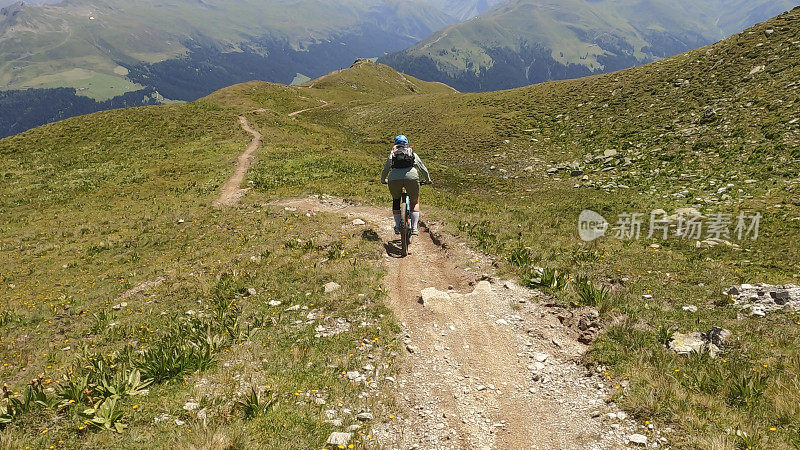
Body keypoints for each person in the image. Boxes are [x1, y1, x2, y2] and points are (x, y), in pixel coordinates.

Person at [380, 135, 432, 235]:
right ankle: (414, 228)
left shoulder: (392, 154)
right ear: (407, 144)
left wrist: (383, 180)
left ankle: (397, 225)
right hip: (411, 178)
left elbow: (386, 169)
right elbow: (422, 168)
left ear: (395, 144)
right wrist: (428, 180)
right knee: (414, 201)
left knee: (396, 200)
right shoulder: (412, 153)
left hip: (394, 178)